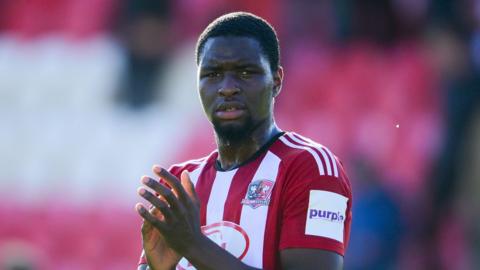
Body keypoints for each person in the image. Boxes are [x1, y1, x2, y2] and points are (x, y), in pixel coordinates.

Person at [135, 12, 352, 270]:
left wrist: (193, 246)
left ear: (277, 81)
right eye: (212, 74)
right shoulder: (182, 183)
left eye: (246, 72)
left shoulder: (311, 167)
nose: (227, 87)